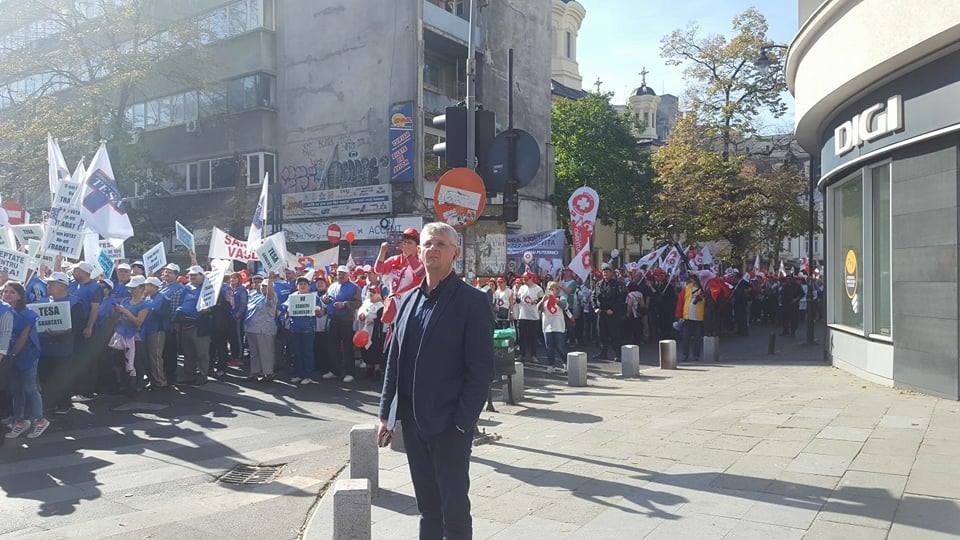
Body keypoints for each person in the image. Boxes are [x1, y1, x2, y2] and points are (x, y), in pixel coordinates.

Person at [376, 222, 494, 540]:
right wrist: (386, 414)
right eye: (428, 244)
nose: (433, 249)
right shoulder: (407, 301)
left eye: (441, 244)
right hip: (413, 425)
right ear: (419, 251)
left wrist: (462, 423)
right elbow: (394, 363)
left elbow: (481, 370)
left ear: (455, 252)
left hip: (450, 425)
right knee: (428, 508)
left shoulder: (472, 301)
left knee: (454, 510)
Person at [3, 281, 48, 439]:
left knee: (30, 388)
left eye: (12, 292)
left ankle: (40, 420)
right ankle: (20, 421)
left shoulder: (28, 314)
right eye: (5, 291)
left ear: (20, 296)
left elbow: (23, 338)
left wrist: (12, 355)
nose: (7, 294)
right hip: (11, 354)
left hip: (27, 355)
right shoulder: (5, 311)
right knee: (16, 389)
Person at [37, 272, 83, 414]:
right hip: (45, 348)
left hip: (63, 348)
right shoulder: (43, 301)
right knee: (46, 376)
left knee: (62, 376)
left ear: (62, 286)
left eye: (52, 284)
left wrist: (61, 332)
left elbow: (77, 326)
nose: (48, 286)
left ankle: (64, 404)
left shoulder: (75, 303)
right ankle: (50, 403)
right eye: (48, 283)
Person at [109, 275, 151, 394]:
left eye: (134, 288)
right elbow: (116, 317)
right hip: (121, 334)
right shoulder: (126, 301)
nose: (131, 290)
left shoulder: (144, 305)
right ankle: (123, 384)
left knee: (136, 362)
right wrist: (116, 312)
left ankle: (137, 385)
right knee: (119, 360)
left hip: (135, 336)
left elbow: (138, 322)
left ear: (141, 288)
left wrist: (125, 311)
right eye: (131, 288)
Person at [375, 227, 425, 324]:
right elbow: (378, 270)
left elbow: (420, 273)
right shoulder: (395, 260)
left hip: (411, 308)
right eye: (404, 242)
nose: (406, 245)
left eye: (409, 243)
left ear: (417, 247)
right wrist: (382, 251)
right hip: (393, 309)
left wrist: (409, 255)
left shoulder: (421, 261)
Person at [320, 266, 361, 383]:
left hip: (345, 320)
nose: (341, 276)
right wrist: (324, 299)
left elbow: (358, 303)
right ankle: (334, 371)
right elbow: (326, 299)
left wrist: (344, 304)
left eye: (343, 273)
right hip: (332, 318)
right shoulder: (332, 286)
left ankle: (349, 373)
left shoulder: (354, 287)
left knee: (347, 347)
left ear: (348, 275)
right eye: (339, 273)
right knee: (332, 346)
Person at [175, 266, 213, 385]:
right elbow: (182, 302)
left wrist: (209, 309)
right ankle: (189, 375)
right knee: (188, 352)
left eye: (195, 275)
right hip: (186, 323)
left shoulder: (208, 288)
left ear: (202, 276)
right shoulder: (187, 287)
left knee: (202, 353)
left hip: (200, 325)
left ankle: (202, 375)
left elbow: (215, 306)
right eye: (191, 275)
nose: (192, 277)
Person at [285, 276, 322, 385]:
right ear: (297, 286)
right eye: (300, 284)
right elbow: (284, 307)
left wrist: (317, 310)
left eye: (305, 284)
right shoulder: (292, 297)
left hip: (308, 329)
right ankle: (299, 374)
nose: (302, 286)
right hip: (295, 329)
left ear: (308, 286)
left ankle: (308, 375)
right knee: (296, 353)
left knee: (307, 352)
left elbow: (320, 312)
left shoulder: (313, 297)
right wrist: (286, 309)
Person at [245, 273, 278, 382]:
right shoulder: (254, 295)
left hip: (265, 329)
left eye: (266, 286)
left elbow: (269, 295)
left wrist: (270, 280)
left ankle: (268, 373)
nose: (263, 287)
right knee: (254, 353)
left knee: (265, 352)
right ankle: (255, 372)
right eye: (262, 286)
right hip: (251, 328)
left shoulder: (272, 297)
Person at [592, 263, 626, 361]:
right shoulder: (599, 284)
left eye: (607, 271)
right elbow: (593, 296)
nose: (605, 273)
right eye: (604, 272)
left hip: (612, 314)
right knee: (602, 334)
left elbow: (621, 299)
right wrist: (595, 308)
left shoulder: (617, 284)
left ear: (611, 273)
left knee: (614, 334)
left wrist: (613, 309)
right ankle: (603, 353)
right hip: (601, 313)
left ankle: (618, 354)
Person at [159, 263, 185, 386]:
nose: (167, 274)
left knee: (169, 351)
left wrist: (174, 324)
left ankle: (170, 376)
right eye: (166, 271)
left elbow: (175, 309)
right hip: (158, 323)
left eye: (170, 272)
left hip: (170, 325)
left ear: (176, 275)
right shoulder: (160, 285)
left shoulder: (179, 289)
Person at [142, 277, 169, 389]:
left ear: (154, 287)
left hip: (157, 330)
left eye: (148, 285)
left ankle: (160, 381)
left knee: (155, 357)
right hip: (146, 330)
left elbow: (166, 314)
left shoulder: (164, 298)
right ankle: (152, 379)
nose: (145, 287)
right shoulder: (147, 297)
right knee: (148, 357)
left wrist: (153, 310)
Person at [539, 281, 569, 374]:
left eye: (553, 289)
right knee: (549, 346)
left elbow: (564, 306)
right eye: (549, 289)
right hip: (547, 326)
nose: (551, 291)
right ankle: (551, 365)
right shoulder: (545, 299)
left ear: (557, 290)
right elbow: (538, 309)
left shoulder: (561, 298)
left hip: (558, 325)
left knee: (560, 346)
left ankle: (566, 363)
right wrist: (542, 301)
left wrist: (557, 301)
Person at [675, 273, 706, 362]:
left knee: (697, 338)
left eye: (694, 279)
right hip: (687, 317)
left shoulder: (704, 290)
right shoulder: (687, 288)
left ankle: (696, 355)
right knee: (685, 337)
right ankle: (685, 355)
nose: (692, 280)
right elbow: (681, 301)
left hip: (698, 317)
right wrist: (679, 315)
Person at [516, 272, 543, 362]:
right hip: (522, 315)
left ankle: (533, 355)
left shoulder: (538, 288)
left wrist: (536, 302)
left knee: (533, 337)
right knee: (521, 336)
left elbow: (542, 299)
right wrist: (516, 297)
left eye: (526, 278)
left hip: (534, 316)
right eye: (523, 278)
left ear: (531, 278)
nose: (524, 280)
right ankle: (521, 354)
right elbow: (518, 299)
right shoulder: (522, 288)